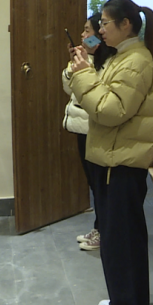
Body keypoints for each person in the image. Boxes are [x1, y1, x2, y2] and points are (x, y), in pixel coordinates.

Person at [67, 0, 153, 305]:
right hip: (111, 158)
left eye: (105, 23)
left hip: (120, 163)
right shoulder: (120, 56)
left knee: (123, 242)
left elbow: (110, 110)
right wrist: (83, 68)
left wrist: (83, 75)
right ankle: (124, 302)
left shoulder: (136, 62)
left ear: (125, 24)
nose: (101, 29)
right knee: (116, 240)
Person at [61, 13, 113, 251]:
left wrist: (84, 65)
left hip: (95, 128)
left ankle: (104, 231)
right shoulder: (86, 59)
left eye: (87, 30)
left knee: (100, 184)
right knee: (94, 183)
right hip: (81, 128)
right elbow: (68, 88)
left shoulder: (107, 62)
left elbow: (96, 93)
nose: (82, 35)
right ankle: (100, 228)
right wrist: (74, 64)